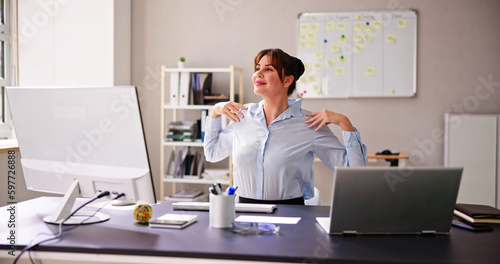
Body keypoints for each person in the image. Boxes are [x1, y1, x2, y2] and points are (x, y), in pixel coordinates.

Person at [204, 48, 367, 205]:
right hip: (243, 212)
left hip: (290, 215)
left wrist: (345, 123)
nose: (258, 74)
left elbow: (356, 175)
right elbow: (211, 153)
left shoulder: (310, 124)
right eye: (258, 68)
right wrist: (215, 111)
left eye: (268, 69)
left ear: (287, 80)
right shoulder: (242, 116)